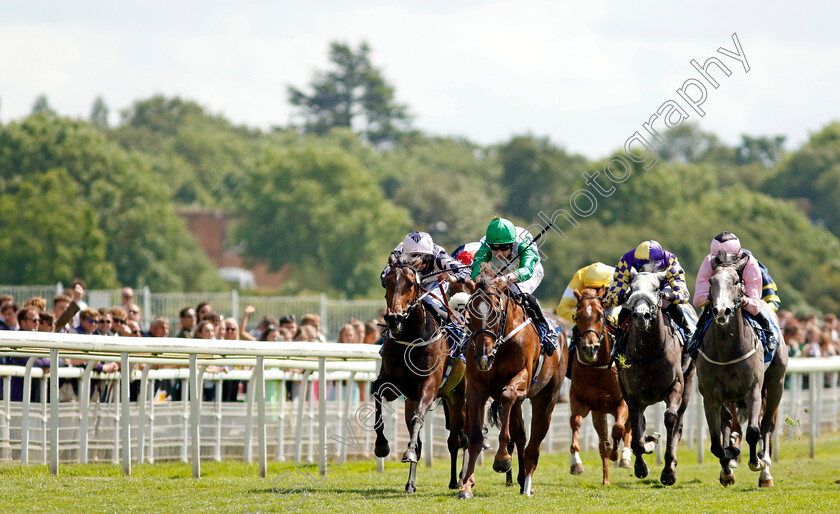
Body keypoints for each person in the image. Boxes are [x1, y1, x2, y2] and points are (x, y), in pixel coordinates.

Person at [470, 217, 557, 355]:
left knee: (521, 293)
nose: (498, 252)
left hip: (527, 272)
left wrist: (506, 279)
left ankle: (547, 329)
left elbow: (527, 270)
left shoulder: (523, 240)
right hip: (500, 272)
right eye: (494, 248)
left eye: (504, 248)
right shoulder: (485, 243)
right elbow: (476, 267)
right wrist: (481, 279)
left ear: (512, 243)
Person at [688, 232, 781, 359]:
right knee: (704, 317)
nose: (722, 264)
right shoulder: (709, 261)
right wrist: (713, 297)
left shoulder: (750, 263)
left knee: (763, 311)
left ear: (737, 255)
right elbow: (698, 301)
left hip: (745, 300)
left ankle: (771, 337)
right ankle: (695, 340)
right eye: (719, 260)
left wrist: (742, 300)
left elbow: (754, 306)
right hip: (718, 302)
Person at [603, 240, 695, 347]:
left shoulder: (670, 260)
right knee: (626, 306)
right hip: (636, 290)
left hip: (661, 289)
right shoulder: (626, 261)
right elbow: (612, 297)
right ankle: (618, 341)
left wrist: (667, 296)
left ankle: (688, 334)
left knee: (668, 303)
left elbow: (684, 295)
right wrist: (624, 296)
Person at [381, 231, 471, 325]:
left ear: (430, 255)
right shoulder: (398, 255)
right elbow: (384, 277)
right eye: (412, 257)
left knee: (429, 301)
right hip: (409, 283)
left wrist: (453, 278)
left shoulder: (439, 257)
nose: (419, 263)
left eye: (425, 257)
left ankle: (457, 324)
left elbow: (467, 272)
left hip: (434, 281)